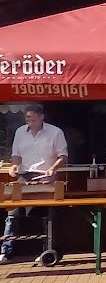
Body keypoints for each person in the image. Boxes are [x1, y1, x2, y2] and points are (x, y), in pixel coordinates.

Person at [1, 104, 68, 263]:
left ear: (42, 117)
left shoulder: (55, 132)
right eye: (27, 119)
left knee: (46, 216)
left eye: (33, 119)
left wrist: (52, 169)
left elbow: (63, 156)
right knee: (12, 212)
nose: (30, 122)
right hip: (24, 176)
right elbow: (16, 155)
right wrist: (14, 166)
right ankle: (6, 251)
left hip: (46, 176)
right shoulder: (20, 132)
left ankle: (47, 250)